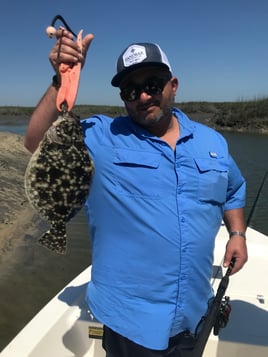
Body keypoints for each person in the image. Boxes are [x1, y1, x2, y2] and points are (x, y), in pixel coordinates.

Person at [24, 29, 248, 357]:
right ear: (123, 97)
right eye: (131, 90)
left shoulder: (212, 142)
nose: (143, 96)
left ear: (173, 85)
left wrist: (238, 233)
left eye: (153, 85)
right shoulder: (101, 136)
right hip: (128, 323)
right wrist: (62, 81)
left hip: (195, 311)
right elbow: (36, 142)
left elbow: (234, 189)